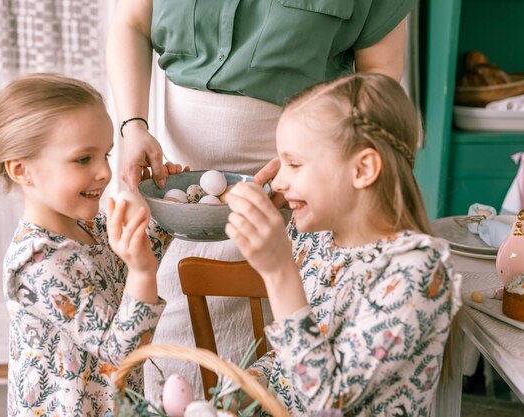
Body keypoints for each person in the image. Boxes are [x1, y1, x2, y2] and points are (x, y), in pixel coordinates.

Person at [107, 0, 416, 400]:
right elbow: (131, 22)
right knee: (173, 361)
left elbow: (377, 96)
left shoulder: (393, 272)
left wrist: (302, 170)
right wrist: (132, 127)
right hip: (178, 196)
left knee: (282, 320)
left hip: (300, 203)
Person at [224, 72, 462, 416]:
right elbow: (295, 358)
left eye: (294, 163)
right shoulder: (316, 238)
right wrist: (247, 388)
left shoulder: (416, 273)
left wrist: (280, 272)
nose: (277, 180)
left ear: (363, 169)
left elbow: (326, 405)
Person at [0, 73, 184, 416]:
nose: (104, 172)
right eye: (84, 159)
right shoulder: (40, 264)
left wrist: (162, 203)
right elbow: (122, 353)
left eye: (107, 155)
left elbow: (126, 272)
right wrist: (142, 270)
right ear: (21, 170)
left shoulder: (91, 227)